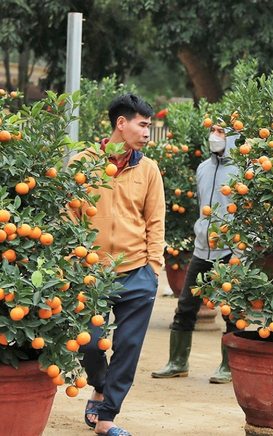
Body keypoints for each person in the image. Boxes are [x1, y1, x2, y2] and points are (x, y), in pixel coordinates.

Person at [70, 94, 165, 436]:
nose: (146, 133)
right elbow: (68, 216)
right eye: (142, 125)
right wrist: (74, 262)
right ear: (120, 124)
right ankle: (99, 383)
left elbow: (156, 223)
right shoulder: (83, 164)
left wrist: (153, 268)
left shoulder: (149, 170)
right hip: (91, 273)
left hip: (137, 272)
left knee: (127, 347)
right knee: (90, 343)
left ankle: (107, 416)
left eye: (149, 126)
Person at [151, 123, 238, 383]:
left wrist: (241, 254)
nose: (216, 136)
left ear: (233, 137)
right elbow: (203, 208)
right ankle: (177, 362)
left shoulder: (244, 172)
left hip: (230, 251)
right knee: (186, 305)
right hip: (202, 249)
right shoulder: (203, 168)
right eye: (213, 131)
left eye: (222, 132)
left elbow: (249, 218)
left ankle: (229, 366)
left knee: (232, 311)